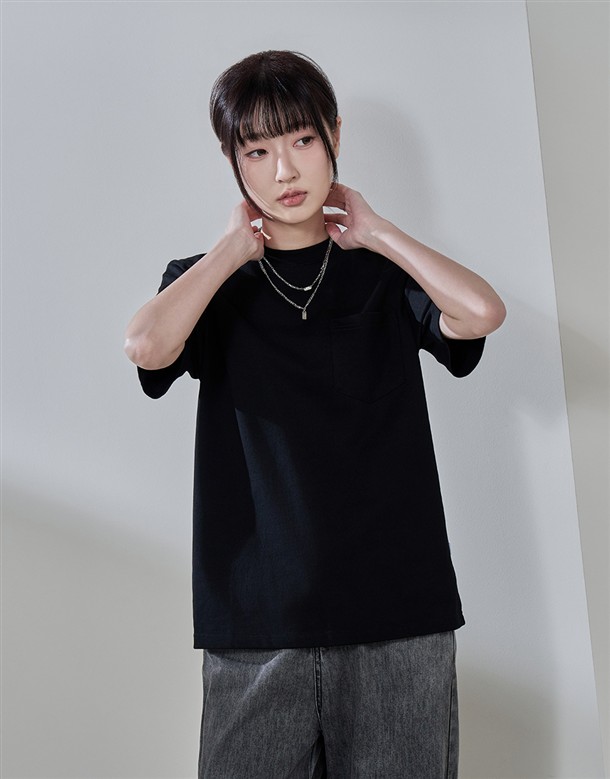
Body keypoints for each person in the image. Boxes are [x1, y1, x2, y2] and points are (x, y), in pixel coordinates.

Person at [124, 50, 506, 779]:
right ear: (233, 163)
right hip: (257, 625)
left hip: (399, 614)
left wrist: (378, 232)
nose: (285, 171)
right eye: (256, 152)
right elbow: (146, 345)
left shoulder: (385, 276)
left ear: (334, 135)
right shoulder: (206, 285)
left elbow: (482, 312)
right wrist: (230, 251)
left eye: (301, 140)